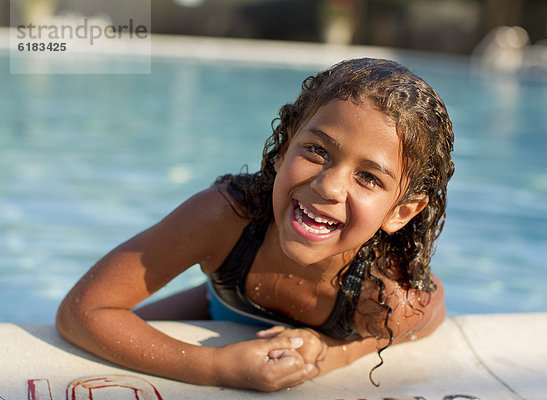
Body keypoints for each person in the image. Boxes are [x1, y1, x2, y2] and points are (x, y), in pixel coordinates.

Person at [56, 58, 455, 392]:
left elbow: (431, 313)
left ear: (400, 212)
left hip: (254, 304)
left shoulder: (386, 293)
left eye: (368, 177)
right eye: (317, 150)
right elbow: (81, 311)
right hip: (220, 299)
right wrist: (215, 368)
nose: (328, 185)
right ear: (283, 150)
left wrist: (330, 353)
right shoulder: (226, 218)